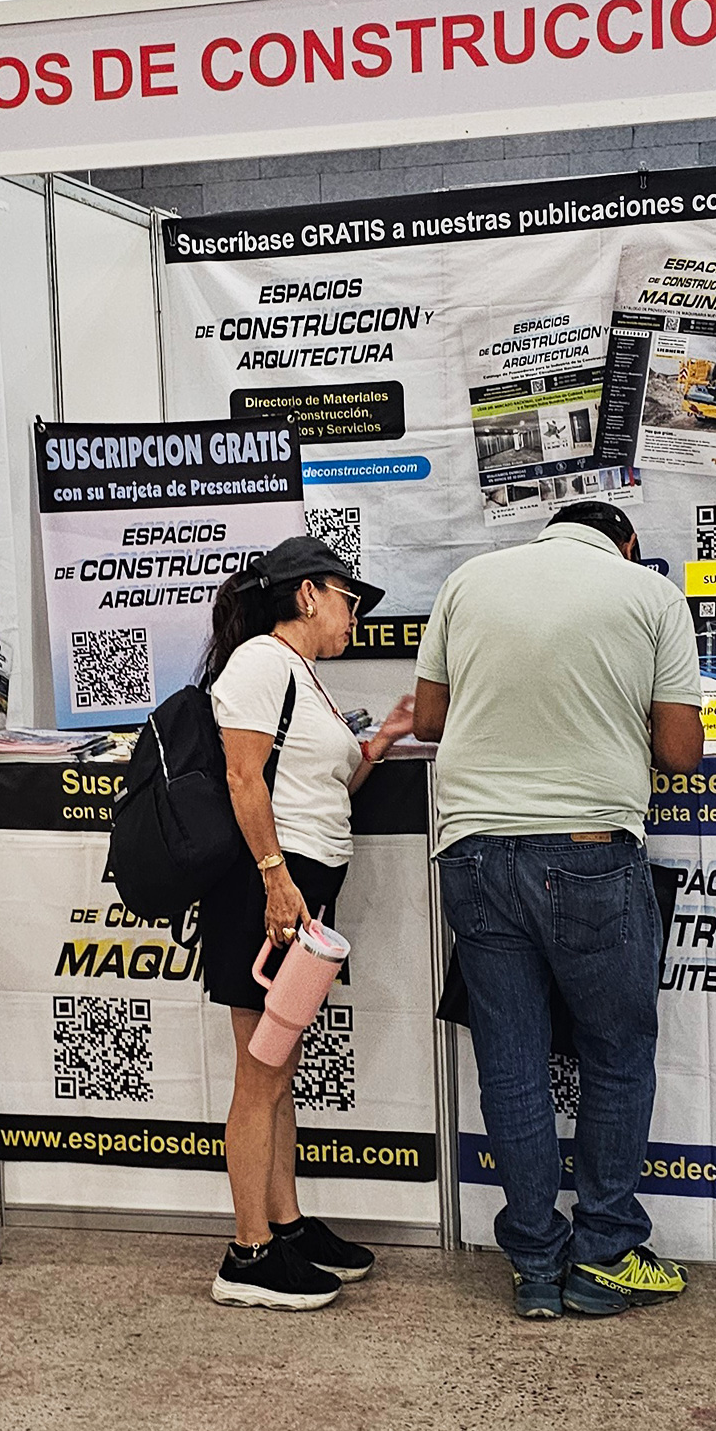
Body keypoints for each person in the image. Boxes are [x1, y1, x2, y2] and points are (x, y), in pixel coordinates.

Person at [413, 502, 704, 1321]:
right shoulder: (649, 594)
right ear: (628, 542)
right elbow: (680, 751)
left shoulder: (467, 581)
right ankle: (604, 1254)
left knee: (511, 1062)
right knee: (616, 1051)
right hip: (589, 848)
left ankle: (536, 1263)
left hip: (473, 850)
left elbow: (430, 721)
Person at [198, 536, 415, 1311]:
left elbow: (322, 784)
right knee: (260, 1072)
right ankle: (247, 1253)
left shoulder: (300, 674)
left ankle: (284, 1225)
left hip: (298, 887)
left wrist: (380, 740)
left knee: (278, 1067)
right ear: (308, 593)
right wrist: (275, 880)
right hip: (267, 892)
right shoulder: (260, 662)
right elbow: (242, 777)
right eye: (348, 599)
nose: (356, 616)